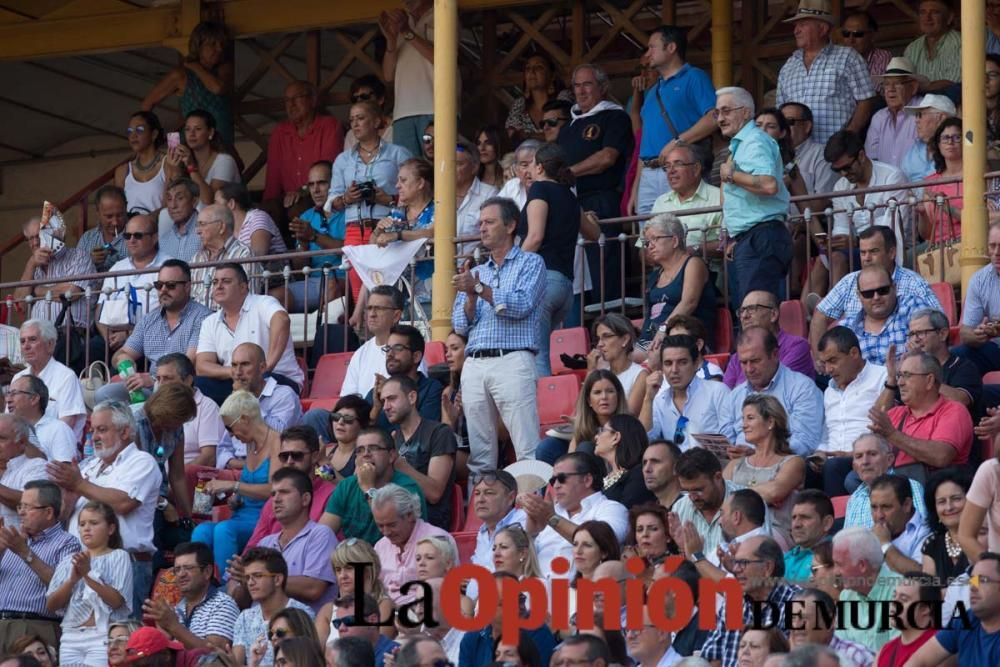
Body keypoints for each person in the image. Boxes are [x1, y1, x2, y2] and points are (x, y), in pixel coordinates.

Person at [452, 197, 546, 477]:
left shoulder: (531, 262)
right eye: (480, 223)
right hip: (475, 363)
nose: (482, 228)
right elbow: (460, 325)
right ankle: (481, 519)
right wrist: (470, 295)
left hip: (513, 359)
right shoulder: (475, 272)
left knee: (526, 446)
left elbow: (519, 305)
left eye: (489, 222)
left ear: (511, 225)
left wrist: (478, 288)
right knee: (480, 455)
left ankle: (533, 516)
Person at [47, 401, 161, 615]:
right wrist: (69, 497)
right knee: (81, 638)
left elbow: (123, 503)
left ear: (125, 431)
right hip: (81, 564)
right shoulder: (88, 466)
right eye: (92, 431)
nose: (94, 437)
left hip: (125, 563)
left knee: (121, 638)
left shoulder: (141, 462)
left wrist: (79, 484)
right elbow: (63, 517)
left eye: (102, 429)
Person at [558, 63, 634, 302]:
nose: (581, 91)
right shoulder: (569, 126)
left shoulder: (614, 116)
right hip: (573, 202)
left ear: (602, 87)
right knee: (578, 266)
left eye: (587, 84)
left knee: (603, 261)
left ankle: (609, 316)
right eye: (576, 86)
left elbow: (607, 158)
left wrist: (569, 173)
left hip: (602, 199)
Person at [809, 226, 942, 360]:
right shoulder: (849, 281)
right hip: (859, 369)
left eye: (873, 252)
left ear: (891, 253)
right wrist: (820, 362)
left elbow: (939, 322)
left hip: (903, 365)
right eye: (863, 253)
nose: (867, 258)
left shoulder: (913, 283)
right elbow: (820, 316)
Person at [715, 87, 792, 304]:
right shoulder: (742, 144)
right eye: (717, 113)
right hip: (752, 237)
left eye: (727, 111)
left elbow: (769, 185)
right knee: (750, 314)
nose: (720, 118)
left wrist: (732, 175)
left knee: (756, 313)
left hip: (761, 236)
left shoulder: (754, 142)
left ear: (747, 113)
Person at [328, 101, 411, 302]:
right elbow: (331, 203)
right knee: (359, 292)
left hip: (387, 228)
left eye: (361, 118)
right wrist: (346, 198)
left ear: (376, 121)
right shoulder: (343, 160)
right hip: (354, 228)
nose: (355, 124)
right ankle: (364, 330)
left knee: (385, 288)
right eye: (352, 120)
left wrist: (389, 199)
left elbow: (417, 194)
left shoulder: (397, 153)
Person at [813, 131, 909, 296]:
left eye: (847, 167)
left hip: (892, 249)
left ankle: (834, 307)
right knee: (825, 256)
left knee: (836, 258)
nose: (843, 174)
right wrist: (835, 241)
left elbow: (895, 228)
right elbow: (841, 227)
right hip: (860, 252)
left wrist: (857, 242)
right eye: (838, 170)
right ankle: (805, 311)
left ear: (862, 155)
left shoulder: (892, 176)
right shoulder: (840, 187)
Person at [191, 390, 278, 574]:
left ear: (245, 419)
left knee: (224, 530)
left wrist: (233, 485)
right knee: (202, 532)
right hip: (241, 514)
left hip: (265, 517)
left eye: (230, 428)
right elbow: (249, 482)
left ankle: (228, 588)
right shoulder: (250, 443)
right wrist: (236, 497)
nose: (230, 435)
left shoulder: (277, 442)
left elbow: (274, 490)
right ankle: (200, 584)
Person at [519, 142, 585, 376]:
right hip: (565, 287)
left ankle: (542, 409)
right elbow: (594, 233)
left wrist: (510, 268)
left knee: (537, 357)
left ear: (539, 167)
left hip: (543, 281)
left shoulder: (540, 189)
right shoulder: (570, 196)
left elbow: (535, 237)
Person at [635, 25, 717, 215]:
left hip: (679, 168)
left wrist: (677, 142)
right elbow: (645, 143)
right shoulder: (653, 91)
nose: (648, 54)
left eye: (652, 47)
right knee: (649, 239)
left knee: (681, 232)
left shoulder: (694, 77)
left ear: (671, 48)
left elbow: (713, 118)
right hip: (648, 173)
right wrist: (636, 187)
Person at [195, 263, 304, 404]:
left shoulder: (263, 302)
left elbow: (282, 320)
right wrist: (233, 372)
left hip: (276, 380)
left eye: (226, 281)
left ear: (243, 287)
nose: (219, 286)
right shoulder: (210, 322)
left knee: (255, 382)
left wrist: (266, 367)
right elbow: (202, 366)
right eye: (215, 282)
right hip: (236, 383)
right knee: (196, 386)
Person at [109, 259, 212, 398]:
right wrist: (125, 363)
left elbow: (188, 364)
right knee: (104, 394)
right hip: (148, 387)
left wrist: (153, 380)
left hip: (180, 389)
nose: (163, 290)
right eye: (159, 285)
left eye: (171, 285)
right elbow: (120, 354)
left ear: (187, 287)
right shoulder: (149, 320)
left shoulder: (202, 317)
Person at [776, 0, 876, 143]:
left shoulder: (848, 57)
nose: (796, 30)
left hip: (835, 154)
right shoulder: (788, 66)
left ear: (822, 28)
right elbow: (781, 111)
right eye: (796, 25)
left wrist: (849, 135)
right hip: (797, 154)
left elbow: (866, 100)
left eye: (802, 25)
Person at [46, 501, 131, 666]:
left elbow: (116, 601)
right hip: (70, 636)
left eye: (94, 523)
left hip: (103, 635)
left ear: (111, 529)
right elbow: (51, 605)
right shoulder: (67, 561)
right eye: (82, 524)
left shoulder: (119, 556)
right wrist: (71, 581)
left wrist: (87, 574)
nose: (86, 528)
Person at [521, 452, 628, 579]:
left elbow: (605, 542)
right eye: (553, 480)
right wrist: (531, 534)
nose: (556, 485)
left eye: (562, 478)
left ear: (587, 480)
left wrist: (552, 519)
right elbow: (520, 564)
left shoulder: (611, 509)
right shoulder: (549, 511)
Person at [0, 480, 79, 651]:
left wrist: (25, 553)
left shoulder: (67, 543)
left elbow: (64, 586)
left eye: (27, 507)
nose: (21, 512)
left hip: (35, 628)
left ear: (49, 512)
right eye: (20, 506)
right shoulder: (13, 539)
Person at [868, 351, 974, 479]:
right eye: (899, 376)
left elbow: (941, 456)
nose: (900, 383)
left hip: (934, 489)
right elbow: (874, 425)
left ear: (929, 380)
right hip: (890, 485)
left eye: (907, 375)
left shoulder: (954, 410)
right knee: (849, 476)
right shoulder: (896, 412)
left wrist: (892, 434)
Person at [700, 536, 800, 667]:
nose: (735, 569)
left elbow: (796, 660)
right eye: (735, 562)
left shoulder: (796, 603)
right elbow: (711, 656)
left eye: (743, 563)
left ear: (767, 568)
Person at [723, 327, 824, 456]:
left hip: (783, 467)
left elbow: (806, 443)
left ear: (775, 355)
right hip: (737, 467)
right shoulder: (734, 396)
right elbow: (726, 441)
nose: (749, 369)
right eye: (743, 363)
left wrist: (758, 454)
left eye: (755, 361)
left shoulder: (802, 388)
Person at [814, 326, 891, 494]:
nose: (828, 369)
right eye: (824, 363)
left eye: (833, 361)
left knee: (833, 467)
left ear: (854, 353)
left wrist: (851, 454)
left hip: (865, 457)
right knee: (803, 469)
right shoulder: (829, 391)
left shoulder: (882, 377)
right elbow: (827, 432)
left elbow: (887, 426)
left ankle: (838, 519)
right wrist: (820, 452)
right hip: (832, 459)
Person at [320, 427, 426, 545]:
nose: (365, 454)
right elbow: (323, 534)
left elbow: (403, 536)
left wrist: (368, 488)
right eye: (360, 450)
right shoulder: (346, 486)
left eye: (374, 448)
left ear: (391, 456)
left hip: (395, 557)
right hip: (354, 559)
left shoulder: (407, 487)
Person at [724, 394, 805, 547]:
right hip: (732, 533)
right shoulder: (735, 464)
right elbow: (721, 498)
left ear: (770, 422)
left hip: (774, 534)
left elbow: (774, 491)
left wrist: (734, 497)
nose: (743, 425)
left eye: (750, 418)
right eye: (743, 419)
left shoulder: (793, 462)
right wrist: (762, 494)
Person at [254, 469, 339, 613]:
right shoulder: (265, 543)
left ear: (305, 499)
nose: (276, 499)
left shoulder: (320, 534)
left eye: (284, 492)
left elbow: (313, 588)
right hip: (257, 628)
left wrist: (264, 579)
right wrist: (241, 580)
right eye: (273, 494)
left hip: (301, 629)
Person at [381, 374, 456, 529]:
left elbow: (435, 494)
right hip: (393, 523)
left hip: (428, 525)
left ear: (412, 397)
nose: (385, 407)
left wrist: (401, 466)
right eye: (383, 401)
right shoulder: (392, 439)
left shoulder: (438, 433)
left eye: (392, 399)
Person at [142, 21, 234, 145]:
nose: (219, 49)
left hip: (221, 146)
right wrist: (153, 138)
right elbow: (147, 104)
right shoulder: (181, 75)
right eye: (213, 44)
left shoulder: (224, 69)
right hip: (189, 147)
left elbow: (217, 88)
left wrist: (196, 67)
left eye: (221, 44)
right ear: (199, 46)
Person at [213, 342, 302, 471]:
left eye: (245, 364)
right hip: (237, 467)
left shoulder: (284, 395)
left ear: (262, 367)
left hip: (272, 468)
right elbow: (224, 446)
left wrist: (248, 400)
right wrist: (233, 462)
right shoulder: (236, 398)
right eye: (234, 365)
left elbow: (279, 433)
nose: (238, 372)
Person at [262, 80, 344, 219]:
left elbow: (327, 169)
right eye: (287, 100)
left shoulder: (329, 125)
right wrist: (267, 205)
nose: (291, 104)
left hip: (319, 194)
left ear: (312, 100)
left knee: (298, 210)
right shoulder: (280, 131)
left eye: (297, 98)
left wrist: (303, 191)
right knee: (264, 213)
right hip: (287, 198)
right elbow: (273, 178)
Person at [246, 426, 336, 549]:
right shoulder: (274, 499)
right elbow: (253, 546)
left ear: (315, 456)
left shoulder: (331, 494)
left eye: (297, 455)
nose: (289, 461)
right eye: (284, 456)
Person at [905, 552, 1000, 666]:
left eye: (983, 580)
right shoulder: (966, 620)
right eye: (972, 580)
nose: (973, 587)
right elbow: (920, 660)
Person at [140, 541, 239, 651]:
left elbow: (215, 655)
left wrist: (174, 626)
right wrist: (161, 634)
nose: (181, 574)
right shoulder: (176, 609)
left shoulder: (223, 604)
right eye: (177, 569)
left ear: (207, 571)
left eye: (188, 568)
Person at [95, 213, 170, 352]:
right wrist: (107, 335)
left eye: (138, 235)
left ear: (154, 238)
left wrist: (129, 335)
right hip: (112, 337)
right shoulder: (117, 268)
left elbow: (170, 312)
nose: (132, 240)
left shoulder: (168, 267)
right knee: (91, 348)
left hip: (151, 337)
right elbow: (100, 310)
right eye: (127, 236)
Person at [637, 213, 715, 346]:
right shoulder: (654, 276)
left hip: (682, 341)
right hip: (650, 341)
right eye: (648, 242)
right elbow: (649, 316)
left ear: (674, 241)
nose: (649, 246)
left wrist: (663, 330)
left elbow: (689, 303)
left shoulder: (693, 264)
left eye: (655, 239)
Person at [641, 335, 730, 448]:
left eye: (682, 362)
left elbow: (731, 440)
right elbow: (645, 440)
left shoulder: (717, 392)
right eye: (668, 363)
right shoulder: (659, 402)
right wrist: (648, 398)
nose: (674, 370)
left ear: (696, 362)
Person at [229, 547, 314, 666]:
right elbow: (236, 663)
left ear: (277, 579)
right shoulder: (244, 618)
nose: (250, 583)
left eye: (257, 576)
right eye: (247, 577)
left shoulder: (302, 615)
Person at [370, 484, 454, 602]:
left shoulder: (438, 539)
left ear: (409, 515)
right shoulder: (380, 546)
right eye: (380, 526)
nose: (386, 532)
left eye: (392, 525)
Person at [378, 0, 440, 158]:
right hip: (402, 112)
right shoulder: (403, 20)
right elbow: (388, 75)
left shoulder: (442, 11)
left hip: (435, 106)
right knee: (408, 170)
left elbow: (442, 59)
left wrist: (406, 31)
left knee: (440, 166)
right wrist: (391, 40)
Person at [649, 142, 723, 264]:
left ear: (696, 168)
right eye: (667, 166)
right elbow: (643, 250)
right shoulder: (660, 202)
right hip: (665, 276)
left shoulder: (718, 197)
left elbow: (728, 244)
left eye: (678, 164)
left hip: (706, 275)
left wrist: (694, 250)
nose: (671, 171)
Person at [16, 215, 96, 327]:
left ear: (52, 234)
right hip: (39, 339)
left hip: (71, 335)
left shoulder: (78, 256)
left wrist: (37, 291)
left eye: (39, 236)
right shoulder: (33, 268)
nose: (35, 243)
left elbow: (71, 293)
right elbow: (21, 305)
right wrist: (31, 264)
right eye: (30, 238)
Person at [536, 369, 628, 465]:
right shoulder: (584, 423)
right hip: (586, 474)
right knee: (547, 447)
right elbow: (571, 459)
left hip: (618, 472)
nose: (604, 397)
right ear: (589, 400)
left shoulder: (629, 423)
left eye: (610, 391)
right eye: (597, 392)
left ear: (618, 395)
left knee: (585, 448)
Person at [725, 290, 815, 388]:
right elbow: (727, 397)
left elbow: (775, 386)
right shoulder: (737, 357)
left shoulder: (796, 347)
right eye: (742, 311)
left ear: (773, 315)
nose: (744, 316)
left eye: (752, 309)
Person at [13, 320, 85, 439]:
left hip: (55, 450)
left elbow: (66, 426)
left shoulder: (66, 377)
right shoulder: (18, 378)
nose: (26, 346)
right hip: (21, 449)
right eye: (22, 341)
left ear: (50, 344)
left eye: (32, 339)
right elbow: (10, 420)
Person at [831, 527, 899, 652]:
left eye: (839, 564)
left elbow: (899, 655)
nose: (835, 572)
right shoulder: (846, 596)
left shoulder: (901, 593)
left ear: (862, 565)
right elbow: (841, 651)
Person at [152, 353, 224, 467]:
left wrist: (175, 477)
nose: (160, 385)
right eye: (158, 379)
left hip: (189, 478)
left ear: (188, 380)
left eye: (167, 378)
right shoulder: (154, 408)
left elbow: (209, 458)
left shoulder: (207, 407)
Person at [337, 284, 405, 400]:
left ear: (396, 316)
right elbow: (347, 399)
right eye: (369, 308)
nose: (372, 314)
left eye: (379, 309)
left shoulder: (407, 350)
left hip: (390, 412)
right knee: (316, 415)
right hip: (361, 415)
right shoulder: (360, 353)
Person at [845, 433, 928, 527]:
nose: (865, 462)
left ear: (889, 459)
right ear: (854, 466)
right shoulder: (854, 498)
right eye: (859, 456)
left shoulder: (909, 486)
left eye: (872, 454)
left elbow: (920, 531)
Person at [907, 308, 982, 410]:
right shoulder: (908, 371)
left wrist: (920, 369)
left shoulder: (964, 367)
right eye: (912, 334)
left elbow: (961, 401)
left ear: (943, 334)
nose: (915, 339)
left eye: (921, 332)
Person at [955, 222, 1000, 376]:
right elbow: (965, 331)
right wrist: (978, 334)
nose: (996, 252)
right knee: (954, 356)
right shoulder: (979, 280)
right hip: (996, 349)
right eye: (992, 246)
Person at [787, 588, 874, 667]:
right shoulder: (787, 658)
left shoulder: (855, 656)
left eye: (804, 618)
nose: (796, 626)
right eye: (792, 618)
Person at [189, 204, 255, 307]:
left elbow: (249, 300)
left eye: (202, 224)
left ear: (221, 227)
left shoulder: (243, 254)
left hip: (228, 319)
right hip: (197, 320)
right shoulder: (197, 258)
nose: (198, 231)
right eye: (197, 225)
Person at [864, 57, 924, 169]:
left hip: (917, 184)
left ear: (913, 87)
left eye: (897, 83)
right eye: (886, 84)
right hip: (886, 184)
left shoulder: (923, 111)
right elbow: (872, 161)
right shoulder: (879, 117)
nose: (890, 89)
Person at [869, 474, 932, 573]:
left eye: (886, 507)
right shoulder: (870, 534)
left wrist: (884, 545)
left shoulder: (926, 533)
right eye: (874, 507)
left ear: (907, 505)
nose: (879, 515)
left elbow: (922, 577)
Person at [5, 378, 77, 465]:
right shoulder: (7, 430)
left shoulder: (58, 429)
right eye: (8, 394)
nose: (8, 400)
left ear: (34, 399)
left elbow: (66, 472)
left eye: (14, 393)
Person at [918, 117, 964, 245]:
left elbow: (978, 221)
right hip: (937, 248)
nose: (950, 142)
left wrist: (946, 207)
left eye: (956, 137)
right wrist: (922, 213)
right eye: (945, 138)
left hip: (967, 243)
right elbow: (926, 234)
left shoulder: (975, 177)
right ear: (938, 145)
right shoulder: (930, 182)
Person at [505, 54, 572, 143]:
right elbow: (513, 136)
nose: (531, 72)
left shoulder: (563, 97)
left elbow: (563, 133)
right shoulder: (520, 104)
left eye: (539, 67)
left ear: (552, 76)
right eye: (528, 68)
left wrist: (528, 135)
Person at [594, 414, 657, 507]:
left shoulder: (639, 475)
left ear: (616, 437)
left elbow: (626, 511)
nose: (596, 437)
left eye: (602, 431)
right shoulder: (605, 477)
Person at [921, 468, 972, 583]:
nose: (949, 507)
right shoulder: (932, 544)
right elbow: (928, 592)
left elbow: (985, 581)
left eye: (956, 499)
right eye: (941, 502)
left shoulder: (983, 538)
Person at [113, 111, 167, 215]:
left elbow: (169, 207)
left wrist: (145, 221)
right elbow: (118, 208)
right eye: (129, 131)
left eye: (139, 130)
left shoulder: (168, 164)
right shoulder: (123, 171)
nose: (133, 135)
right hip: (130, 229)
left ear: (154, 134)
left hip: (160, 228)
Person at [216, 182, 287, 260]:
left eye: (216, 203)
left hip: (272, 271)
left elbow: (257, 254)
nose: (213, 208)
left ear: (231, 204)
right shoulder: (226, 228)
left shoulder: (257, 217)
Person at [904, 0, 962, 89]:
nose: (927, 18)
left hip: (951, 101)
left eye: (935, 12)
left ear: (949, 18)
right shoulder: (912, 48)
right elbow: (905, 83)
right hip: (918, 102)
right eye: (923, 12)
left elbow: (953, 84)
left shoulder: (961, 43)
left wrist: (916, 88)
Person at [329, 594, 399, 666]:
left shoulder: (396, 657)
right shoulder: (336, 656)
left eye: (348, 621)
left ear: (372, 620)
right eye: (337, 623)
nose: (341, 628)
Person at [902, 92, 957, 181]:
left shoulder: (954, 149)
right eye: (916, 116)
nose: (916, 120)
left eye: (920, 115)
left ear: (940, 118)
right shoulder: (914, 149)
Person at [785, 490, 835, 583]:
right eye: (794, 517)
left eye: (805, 517)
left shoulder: (836, 558)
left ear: (827, 523)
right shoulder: (784, 558)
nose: (796, 524)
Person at [78, 184, 127, 272]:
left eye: (119, 215)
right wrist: (89, 261)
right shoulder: (87, 238)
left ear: (126, 208)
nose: (115, 222)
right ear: (98, 212)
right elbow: (74, 272)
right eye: (109, 216)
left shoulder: (135, 236)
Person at [320, 395, 371, 479]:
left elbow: (349, 490)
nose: (340, 422)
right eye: (336, 417)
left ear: (362, 425)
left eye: (348, 419)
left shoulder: (364, 456)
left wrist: (323, 464)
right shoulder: (325, 451)